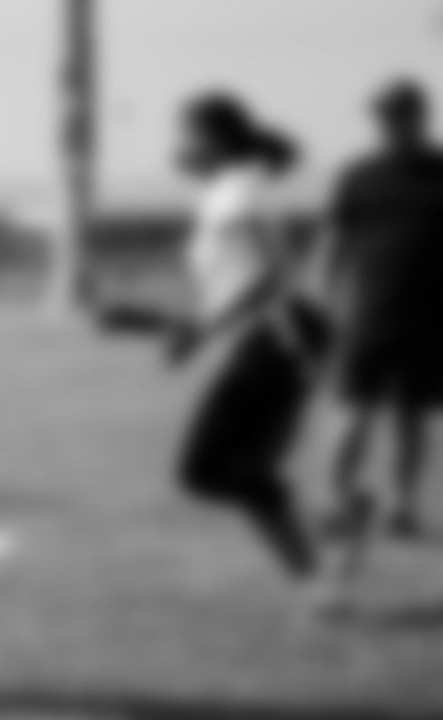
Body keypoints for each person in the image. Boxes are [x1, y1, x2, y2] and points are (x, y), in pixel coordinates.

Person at [168, 93, 332, 600]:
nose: (177, 147)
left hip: (276, 337)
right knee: (246, 471)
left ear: (215, 139)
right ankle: (322, 570)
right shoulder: (232, 188)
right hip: (274, 336)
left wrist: (200, 330)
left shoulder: (236, 192)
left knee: (206, 469)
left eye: (186, 134)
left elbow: (267, 275)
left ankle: (327, 560)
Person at [324, 79, 443, 552]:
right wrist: (326, 302)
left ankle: (403, 505)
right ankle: (335, 497)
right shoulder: (358, 175)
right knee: (353, 411)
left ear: (421, 115)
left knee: (412, 418)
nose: (391, 123)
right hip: (368, 315)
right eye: (384, 116)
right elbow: (334, 242)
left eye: (400, 114)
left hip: (431, 321)